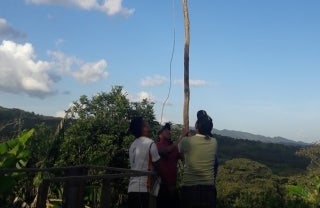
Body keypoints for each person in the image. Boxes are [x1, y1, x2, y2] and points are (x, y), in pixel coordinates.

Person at [179, 110, 219, 208]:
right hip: (208, 190)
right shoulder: (214, 142)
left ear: (196, 125)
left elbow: (180, 152)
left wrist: (182, 135)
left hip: (189, 189)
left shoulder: (186, 141)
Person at [127, 116, 161, 208]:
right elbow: (158, 165)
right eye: (146, 124)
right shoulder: (150, 143)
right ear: (142, 128)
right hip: (142, 188)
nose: (148, 126)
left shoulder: (133, 145)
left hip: (131, 188)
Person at [155, 123, 184, 208]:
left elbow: (183, 157)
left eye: (169, 129)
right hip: (162, 187)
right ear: (159, 134)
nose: (169, 131)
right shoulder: (157, 145)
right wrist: (180, 138)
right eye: (165, 130)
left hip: (174, 187)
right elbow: (164, 152)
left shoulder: (174, 147)